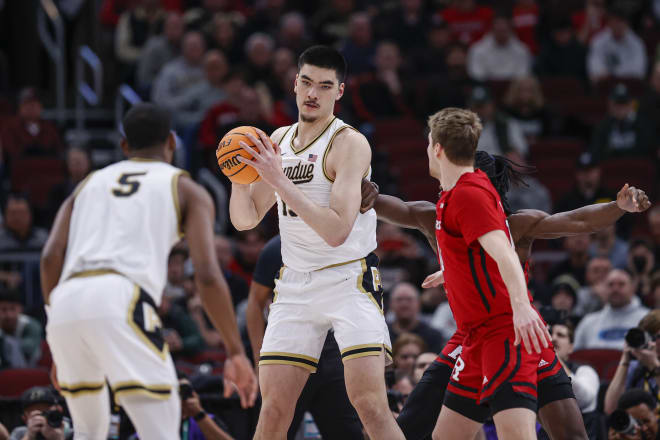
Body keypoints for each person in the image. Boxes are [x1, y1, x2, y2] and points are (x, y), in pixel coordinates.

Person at [360, 150, 650, 440]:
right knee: (414, 422)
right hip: (470, 336)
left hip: (515, 331)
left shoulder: (514, 225)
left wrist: (618, 206)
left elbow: (578, 221)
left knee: (570, 434)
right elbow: (392, 206)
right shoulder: (434, 218)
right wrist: (362, 188)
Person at [41, 104, 256, 439]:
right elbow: (208, 274)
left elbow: (50, 257)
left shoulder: (86, 185)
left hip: (65, 302)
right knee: (161, 431)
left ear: (124, 147)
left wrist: (59, 329)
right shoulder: (186, 188)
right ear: (172, 142)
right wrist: (235, 351)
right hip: (121, 297)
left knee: (89, 432)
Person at [228, 46, 404, 440]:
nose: (313, 93)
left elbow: (337, 231)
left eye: (324, 86)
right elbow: (245, 220)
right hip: (294, 284)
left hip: (348, 279)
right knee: (272, 409)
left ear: (338, 92)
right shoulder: (277, 140)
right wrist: (238, 175)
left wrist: (277, 180)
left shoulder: (349, 143)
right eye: (306, 82)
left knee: (369, 402)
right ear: (294, 83)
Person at [245, 235, 363, 439]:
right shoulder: (276, 248)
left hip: (335, 348)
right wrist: (258, 360)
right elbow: (255, 303)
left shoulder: (345, 240)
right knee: (275, 427)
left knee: (347, 431)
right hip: (290, 349)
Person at [549, 318, 602, 439]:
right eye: (550, 334)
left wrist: (552, 358)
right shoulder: (536, 371)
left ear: (571, 347)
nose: (553, 338)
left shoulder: (585, 370)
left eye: (560, 335)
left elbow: (583, 399)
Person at [574, 269, 650, 350]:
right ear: (604, 288)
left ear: (632, 288)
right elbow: (576, 356)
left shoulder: (648, 319)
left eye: (621, 284)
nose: (615, 289)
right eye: (610, 285)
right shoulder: (588, 322)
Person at [605, 310, 660, 414]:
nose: (652, 342)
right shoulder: (636, 367)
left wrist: (654, 366)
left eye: (658, 337)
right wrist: (625, 359)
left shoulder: (650, 364)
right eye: (649, 336)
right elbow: (611, 408)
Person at [587, 6, 647, 83]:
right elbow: (594, 69)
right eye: (615, 21)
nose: (618, 25)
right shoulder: (598, 41)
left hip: (630, 87)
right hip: (605, 87)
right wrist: (611, 76)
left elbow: (639, 72)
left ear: (627, 23)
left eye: (621, 21)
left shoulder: (637, 43)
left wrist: (613, 75)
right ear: (609, 23)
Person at [466, 13, 532, 82]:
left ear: (511, 30)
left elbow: (523, 73)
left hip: (514, 88)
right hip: (487, 86)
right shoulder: (477, 49)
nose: (501, 34)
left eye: (504, 31)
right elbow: (476, 74)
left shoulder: (522, 49)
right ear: (492, 30)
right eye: (498, 30)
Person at [388, 282, 445, 353]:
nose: (404, 304)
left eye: (409, 299)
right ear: (391, 304)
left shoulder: (433, 336)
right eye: (399, 299)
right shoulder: (382, 334)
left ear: (419, 303)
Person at [0, 288, 42, 365]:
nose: (9, 315)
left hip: (28, 368)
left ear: (20, 309)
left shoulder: (30, 325)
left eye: (12, 309)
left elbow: (30, 348)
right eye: (3, 310)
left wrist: (6, 342)